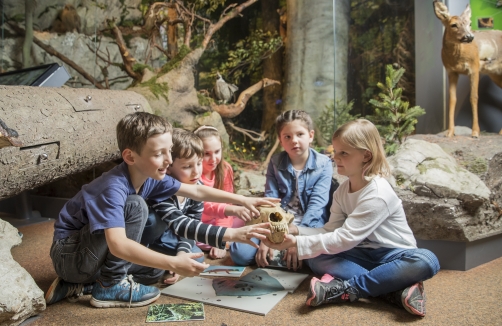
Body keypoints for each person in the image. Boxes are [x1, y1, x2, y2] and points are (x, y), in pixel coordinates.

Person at [45, 112, 278, 308]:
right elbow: (118, 245)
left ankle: (80, 285)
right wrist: (176, 263)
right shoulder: (113, 187)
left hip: (88, 258)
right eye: (159, 154)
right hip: (70, 254)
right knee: (136, 207)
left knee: (155, 270)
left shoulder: (151, 177)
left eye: (169, 151)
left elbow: (196, 192)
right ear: (130, 156)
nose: (168, 160)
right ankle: (108, 286)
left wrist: (242, 200)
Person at [263, 118, 440, 317]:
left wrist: (297, 243)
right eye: (335, 151)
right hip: (360, 254)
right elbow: (330, 231)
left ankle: (347, 290)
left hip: (393, 257)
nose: (335, 157)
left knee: (427, 260)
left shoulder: (378, 193)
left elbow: (345, 238)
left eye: (344, 153)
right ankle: (393, 290)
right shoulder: (341, 192)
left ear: (366, 155)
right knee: (316, 258)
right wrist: (297, 233)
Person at [230, 110, 333, 269]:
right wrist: (271, 237)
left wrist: (297, 239)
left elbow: (317, 208)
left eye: (300, 134)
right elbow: (271, 202)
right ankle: (283, 255)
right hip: (277, 221)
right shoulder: (275, 162)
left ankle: (288, 255)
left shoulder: (324, 164)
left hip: (309, 224)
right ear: (280, 140)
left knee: (317, 261)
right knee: (240, 254)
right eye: (287, 137)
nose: (294, 141)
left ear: (310, 135)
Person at [194, 125, 251, 259]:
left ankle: (224, 239)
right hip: (198, 222)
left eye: (217, 151)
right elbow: (205, 207)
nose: (213, 159)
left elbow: (226, 204)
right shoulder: (193, 173)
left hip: (219, 220)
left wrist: (220, 239)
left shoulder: (225, 169)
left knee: (247, 220)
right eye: (206, 154)